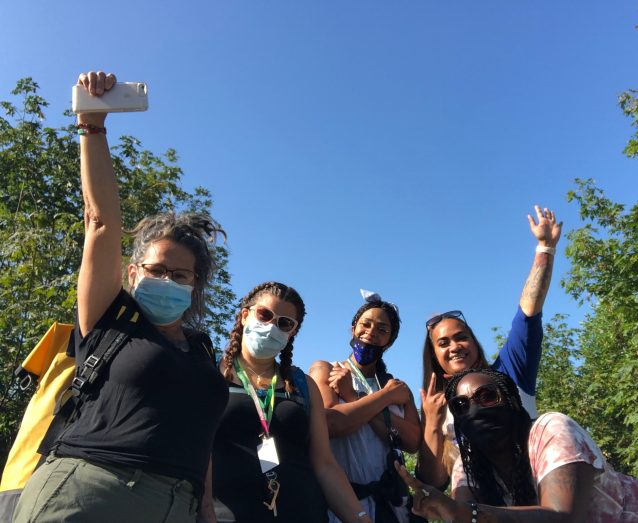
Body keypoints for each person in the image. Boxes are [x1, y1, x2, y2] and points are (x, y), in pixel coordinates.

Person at [14, 72, 228, 523]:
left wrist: (205, 508)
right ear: (133, 272)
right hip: (90, 492)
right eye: (155, 269)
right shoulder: (110, 317)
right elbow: (101, 223)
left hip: (179, 506)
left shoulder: (203, 350)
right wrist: (93, 126)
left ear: (193, 286)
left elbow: (201, 436)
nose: (166, 279)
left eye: (180, 274)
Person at [395, 368, 638, 523]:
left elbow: (563, 518)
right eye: (461, 405)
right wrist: (447, 509)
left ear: (511, 403)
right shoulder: (470, 463)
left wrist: (465, 514)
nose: (475, 409)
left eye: (487, 397)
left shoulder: (551, 429)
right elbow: (464, 510)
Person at [417, 206, 562, 491]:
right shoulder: (436, 406)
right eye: (443, 343)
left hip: (546, 502)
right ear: (434, 356)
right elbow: (434, 484)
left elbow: (529, 312)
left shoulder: (509, 372)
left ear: (474, 342)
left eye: (462, 337)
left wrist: (545, 248)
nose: (455, 347)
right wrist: (432, 424)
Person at [209, 282, 372, 523]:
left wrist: (360, 517)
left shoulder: (302, 384)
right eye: (264, 315)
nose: (271, 327)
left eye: (284, 323)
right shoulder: (208, 371)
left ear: (292, 332)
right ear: (245, 315)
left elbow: (325, 464)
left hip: (303, 513)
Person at [310, 290, 422, 523]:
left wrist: (352, 399)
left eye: (382, 330)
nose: (371, 333)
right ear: (353, 328)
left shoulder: (398, 387)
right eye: (365, 324)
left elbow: (412, 441)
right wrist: (385, 398)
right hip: (342, 507)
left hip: (393, 506)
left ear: (389, 340)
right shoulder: (327, 370)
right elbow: (332, 423)